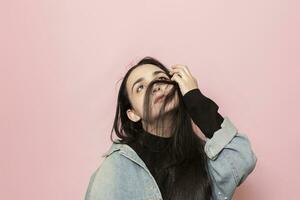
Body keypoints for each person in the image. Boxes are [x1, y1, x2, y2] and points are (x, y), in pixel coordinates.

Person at [84, 56, 257, 200]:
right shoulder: (117, 168)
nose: (156, 86)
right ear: (133, 114)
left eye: (160, 78)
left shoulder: (203, 158)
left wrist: (194, 98)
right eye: (140, 87)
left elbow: (242, 159)